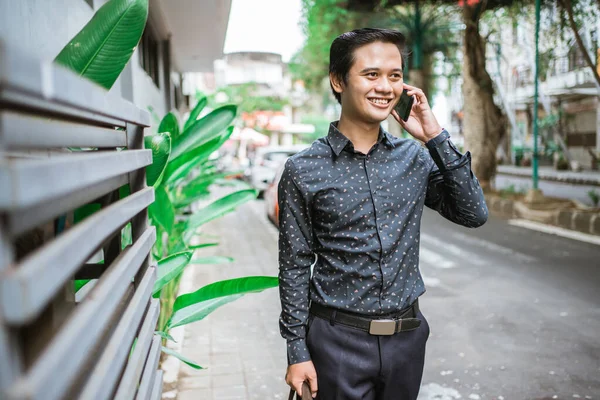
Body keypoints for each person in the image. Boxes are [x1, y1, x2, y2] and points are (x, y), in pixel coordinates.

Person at [277, 28, 488, 400]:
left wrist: (435, 136)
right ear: (338, 80)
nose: (386, 87)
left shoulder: (416, 158)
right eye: (371, 74)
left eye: (395, 76)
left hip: (407, 339)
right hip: (336, 342)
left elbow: (474, 213)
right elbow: (294, 264)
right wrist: (297, 351)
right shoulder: (303, 169)